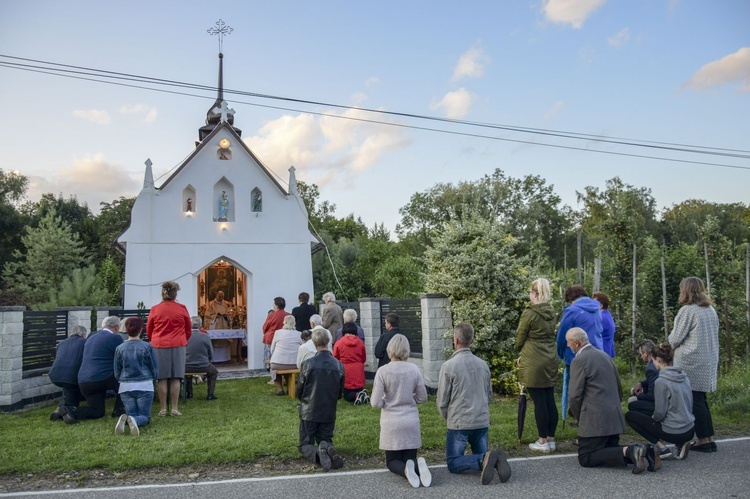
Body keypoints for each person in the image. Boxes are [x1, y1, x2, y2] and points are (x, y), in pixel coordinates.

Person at [567, 328, 657, 474]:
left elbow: (574, 396)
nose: (567, 345)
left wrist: (580, 418)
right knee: (609, 450)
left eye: (568, 342)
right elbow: (618, 388)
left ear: (576, 343)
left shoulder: (579, 361)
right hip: (613, 419)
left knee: (586, 457)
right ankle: (647, 450)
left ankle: (633, 450)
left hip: (594, 421)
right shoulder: (605, 356)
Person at [438, 324, 511, 484]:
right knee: (484, 457)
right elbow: (489, 394)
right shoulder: (483, 364)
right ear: (472, 340)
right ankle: (490, 460)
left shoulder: (448, 366)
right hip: (481, 420)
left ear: (455, 340)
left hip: (459, 422)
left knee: (453, 462)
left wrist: (449, 418)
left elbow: (443, 401)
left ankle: (483, 459)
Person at [371, 334, 431, 488]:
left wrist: (387, 401)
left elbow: (375, 403)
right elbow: (423, 397)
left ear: (390, 349)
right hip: (410, 420)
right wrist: (410, 399)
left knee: (392, 462)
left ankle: (406, 471)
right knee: (409, 459)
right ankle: (417, 467)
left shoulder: (383, 371)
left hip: (391, 422)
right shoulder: (414, 369)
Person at [668, 276, 720, 453]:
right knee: (701, 399)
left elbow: (675, 338)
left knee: (694, 401)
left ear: (686, 290)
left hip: (691, 362)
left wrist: (666, 346)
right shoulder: (710, 309)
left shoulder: (688, 310)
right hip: (708, 359)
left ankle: (703, 440)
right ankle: (708, 438)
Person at [626, 342, 695, 460]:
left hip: (674, 431)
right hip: (690, 429)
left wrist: (651, 421)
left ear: (657, 359)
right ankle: (681, 443)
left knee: (630, 416)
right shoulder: (683, 376)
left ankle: (662, 448)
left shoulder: (661, 382)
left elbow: (659, 414)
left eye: (653, 360)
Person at [515, 278, 558, 453]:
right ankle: (551, 438)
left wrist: (520, 351)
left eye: (531, 293)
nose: (529, 296)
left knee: (539, 402)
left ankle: (542, 442)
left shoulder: (529, 313)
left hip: (533, 359)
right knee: (549, 398)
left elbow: (520, 336)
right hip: (549, 357)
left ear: (535, 294)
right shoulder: (551, 311)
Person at [296, 329, 345, 471]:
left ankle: (319, 453)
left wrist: (304, 401)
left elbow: (300, 389)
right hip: (328, 410)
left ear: (314, 343)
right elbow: (339, 392)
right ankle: (327, 449)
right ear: (328, 342)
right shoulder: (338, 365)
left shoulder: (307, 364)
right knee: (326, 439)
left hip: (309, 411)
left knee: (304, 444)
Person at [60, 316, 125, 424]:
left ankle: (69, 410)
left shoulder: (91, 337)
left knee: (97, 411)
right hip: (103, 378)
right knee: (124, 381)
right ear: (117, 327)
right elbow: (123, 356)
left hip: (84, 381)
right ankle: (119, 410)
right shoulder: (116, 338)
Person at [146, 281, 192, 417]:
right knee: (176, 377)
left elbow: (149, 329)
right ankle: (175, 408)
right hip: (178, 344)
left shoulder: (155, 309)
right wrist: (182, 339)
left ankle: (162, 408)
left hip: (159, 344)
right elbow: (188, 329)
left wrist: (154, 339)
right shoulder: (182, 308)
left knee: (162, 378)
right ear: (175, 294)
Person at [114, 317, 158, 436]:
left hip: (125, 385)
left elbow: (117, 370)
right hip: (144, 383)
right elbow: (154, 368)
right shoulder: (147, 347)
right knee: (145, 417)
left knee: (131, 413)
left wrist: (121, 380)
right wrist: (153, 382)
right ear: (141, 330)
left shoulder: (119, 348)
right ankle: (134, 421)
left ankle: (129, 419)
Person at [556, 285, 604, 365]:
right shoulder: (597, 309)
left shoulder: (571, 311)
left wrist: (560, 353)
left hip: (576, 357)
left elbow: (562, 335)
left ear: (570, 299)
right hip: (597, 353)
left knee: (574, 377)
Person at [48, 325, 88, 421]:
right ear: (83, 334)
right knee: (73, 393)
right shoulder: (85, 342)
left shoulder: (62, 343)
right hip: (71, 376)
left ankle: (59, 410)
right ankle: (68, 412)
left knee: (68, 390)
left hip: (54, 374)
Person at [333, 322, 368, 404]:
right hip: (358, 370)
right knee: (359, 388)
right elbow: (363, 357)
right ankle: (360, 394)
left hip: (346, 371)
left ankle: (357, 395)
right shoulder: (360, 342)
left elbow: (335, 358)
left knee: (347, 396)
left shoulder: (339, 343)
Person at [185, 316, 219, 400]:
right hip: (203, 365)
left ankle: (189, 392)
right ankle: (210, 394)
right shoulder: (205, 337)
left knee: (186, 375)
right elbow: (211, 353)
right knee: (214, 372)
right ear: (201, 325)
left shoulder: (185, 336)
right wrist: (208, 361)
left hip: (186, 366)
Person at [270, 315, 303, 395]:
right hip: (295, 363)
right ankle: (289, 388)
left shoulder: (278, 333)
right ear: (294, 323)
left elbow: (272, 349)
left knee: (273, 369)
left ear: (284, 322)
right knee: (287, 369)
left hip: (278, 363)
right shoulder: (299, 334)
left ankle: (280, 390)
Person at [628, 340, 658, 416]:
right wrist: (641, 383)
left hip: (658, 403)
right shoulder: (659, 361)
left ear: (645, 354)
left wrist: (639, 396)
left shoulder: (650, 368)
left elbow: (651, 396)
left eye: (640, 354)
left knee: (631, 403)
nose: (641, 356)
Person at [262, 297, 290, 369]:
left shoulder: (272, 315)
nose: (273, 306)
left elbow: (265, 327)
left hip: (271, 338)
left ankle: (270, 370)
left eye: (274, 304)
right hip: (284, 339)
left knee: (271, 357)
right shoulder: (289, 315)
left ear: (277, 306)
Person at [593, 292, 616, 358]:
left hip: (602, 353)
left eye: (594, 302)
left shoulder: (601, 317)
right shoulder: (606, 314)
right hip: (607, 351)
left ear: (601, 305)